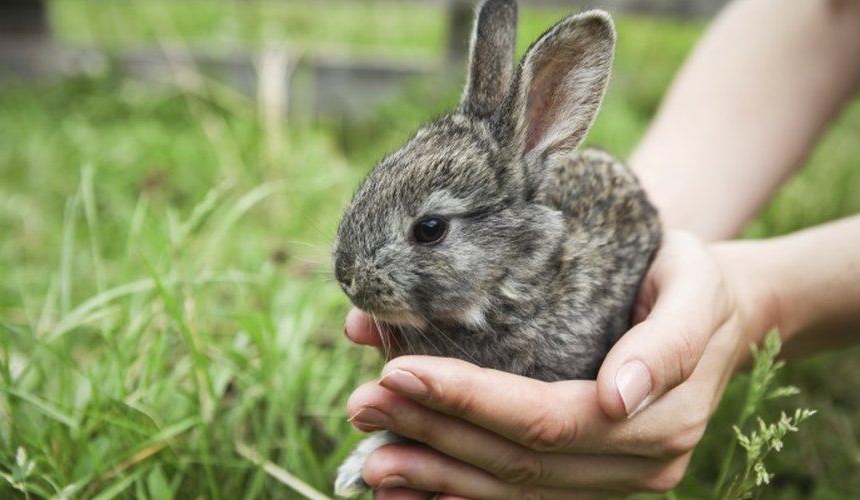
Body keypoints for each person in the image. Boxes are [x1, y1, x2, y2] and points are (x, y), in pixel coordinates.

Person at [341, 0, 860, 496]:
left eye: (430, 230)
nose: (352, 276)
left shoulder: (566, 316)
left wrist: (755, 299)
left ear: (510, 226)